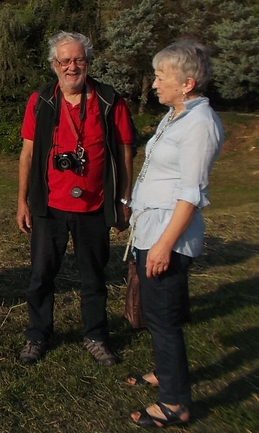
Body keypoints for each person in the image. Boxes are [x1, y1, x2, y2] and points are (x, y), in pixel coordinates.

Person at [16, 31, 134, 366]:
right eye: (65, 60)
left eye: (79, 60)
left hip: (95, 205)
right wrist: (22, 201)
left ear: (88, 63)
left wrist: (124, 201)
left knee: (94, 276)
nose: (72, 67)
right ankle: (37, 335)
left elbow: (125, 154)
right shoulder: (41, 100)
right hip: (49, 206)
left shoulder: (110, 101)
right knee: (41, 275)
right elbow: (26, 155)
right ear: (54, 65)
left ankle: (96, 336)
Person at [127, 40, 222, 428]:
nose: (153, 84)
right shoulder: (177, 115)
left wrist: (164, 245)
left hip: (168, 236)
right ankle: (167, 374)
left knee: (163, 318)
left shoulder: (200, 124)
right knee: (157, 312)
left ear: (187, 82)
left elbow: (191, 193)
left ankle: (175, 403)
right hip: (150, 231)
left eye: (160, 77)